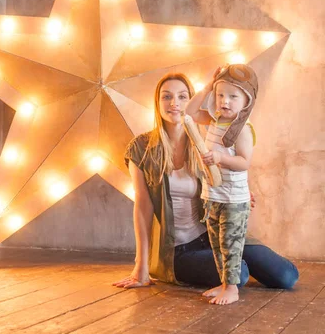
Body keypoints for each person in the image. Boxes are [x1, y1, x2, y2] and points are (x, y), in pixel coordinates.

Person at [113, 72, 299, 295]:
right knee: (239, 275)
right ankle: (225, 271)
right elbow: (143, 207)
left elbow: (231, 170)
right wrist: (140, 267)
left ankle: (230, 259)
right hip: (178, 250)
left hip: (213, 234)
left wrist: (241, 195)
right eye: (166, 97)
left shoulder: (206, 141)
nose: (175, 104)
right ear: (157, 102)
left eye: (183, 97)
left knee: (286, 276)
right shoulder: (142, 148)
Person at [186, 64, 256, 305]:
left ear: (246, 101)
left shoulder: (243, 130)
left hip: (234, 199)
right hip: (212, 194)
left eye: (233, 96)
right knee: (216, 243)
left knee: (231, 244)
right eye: (220, 95)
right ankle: (224, 283)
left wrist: (220, 158)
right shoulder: (214, 120)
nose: (225, 101)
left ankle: (233, 288)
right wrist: (208, 86)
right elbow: (190, 112)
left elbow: (244, 162)